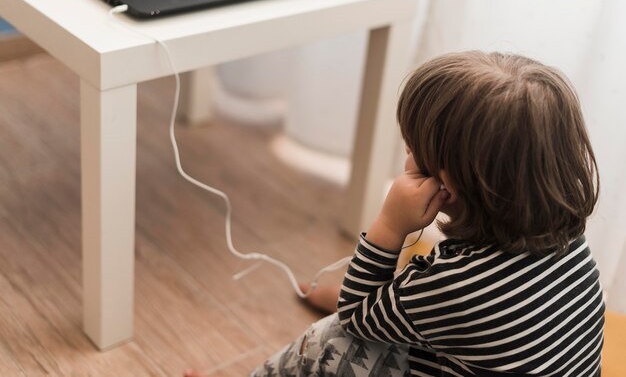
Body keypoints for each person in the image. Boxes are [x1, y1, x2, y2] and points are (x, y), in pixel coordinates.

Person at [186, 51, 605, 377]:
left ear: (447, 187)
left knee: (332, 339)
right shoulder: (569, 241)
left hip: (427, 323)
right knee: (393, 314)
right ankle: (390, 307)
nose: (405, 158)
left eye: (410, 151)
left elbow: (354, 321)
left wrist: (389, 227)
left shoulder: (453, 286)